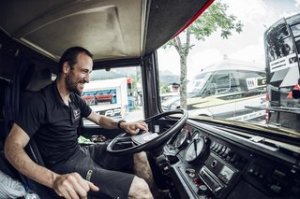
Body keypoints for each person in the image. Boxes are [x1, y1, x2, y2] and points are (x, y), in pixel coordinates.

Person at [4, 47, 154, 199]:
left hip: (82, 152)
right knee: (139, 188)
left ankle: (155, 194)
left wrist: (122, 124)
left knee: (137, 149)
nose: (88, 79)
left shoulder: (74, 99)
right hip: (66, 166)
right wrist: (54, 179)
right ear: (66, 68)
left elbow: (100, 119)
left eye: (89, 73)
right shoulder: (39, 102)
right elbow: (12, 147)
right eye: (84, 71)